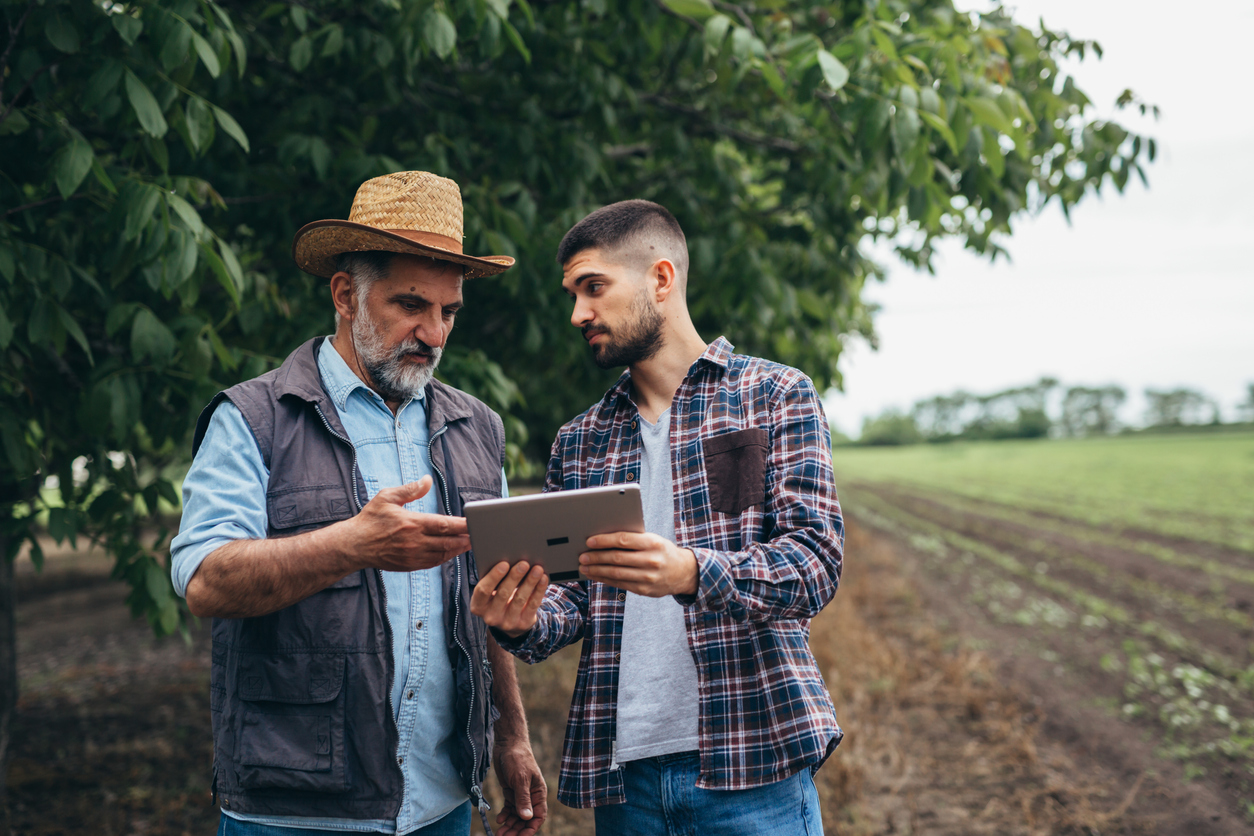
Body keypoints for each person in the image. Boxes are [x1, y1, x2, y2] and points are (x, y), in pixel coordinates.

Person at [171, 171, 546, 836]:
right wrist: (352, 545)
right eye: (410, 305)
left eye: (448, 312)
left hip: (442, 803)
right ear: (345, 294)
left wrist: (510, 738)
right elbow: (204, 581)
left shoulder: (477, 427)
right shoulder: (255, 417)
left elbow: (487, 602)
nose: (432, 332)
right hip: (292, 810)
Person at [471, 199, 843, 835]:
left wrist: (694, 572)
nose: (577, 313)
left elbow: (816, 562)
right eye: (572, 294)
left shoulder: (776, 395)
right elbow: (576, 602)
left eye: (593, 288)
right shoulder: (579, 440)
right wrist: (523, 620)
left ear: (661, 279)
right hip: (627, 781)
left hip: (754, 762)